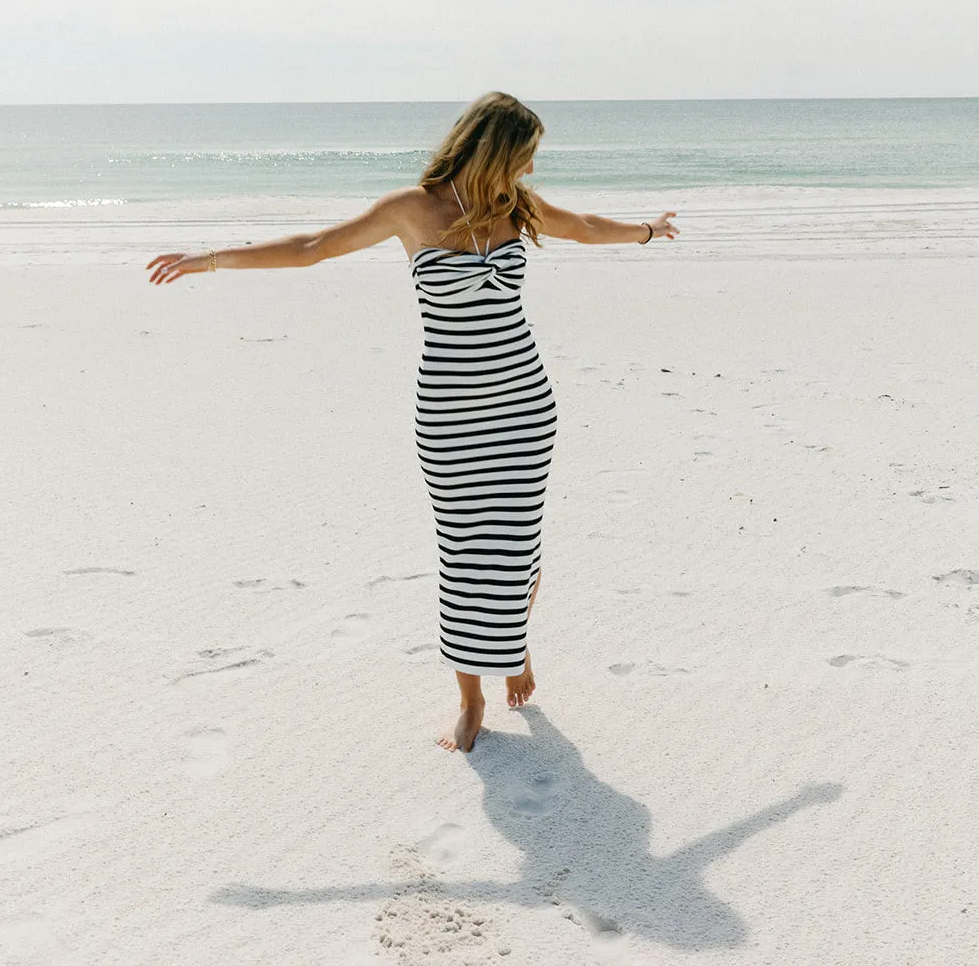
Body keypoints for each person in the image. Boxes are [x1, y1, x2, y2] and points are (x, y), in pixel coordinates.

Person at [147, 92, 679, 752]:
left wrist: (648, 231)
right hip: (451, 408)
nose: (533, 171)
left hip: (521, 403)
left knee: (517, 549)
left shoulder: (515, 206)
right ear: (494, 151)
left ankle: (512, 648)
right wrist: (212, 259)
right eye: (526, 156)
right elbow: (313, 246)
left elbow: (589, 227)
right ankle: (469, 696)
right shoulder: (411, 210)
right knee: (463, 553)